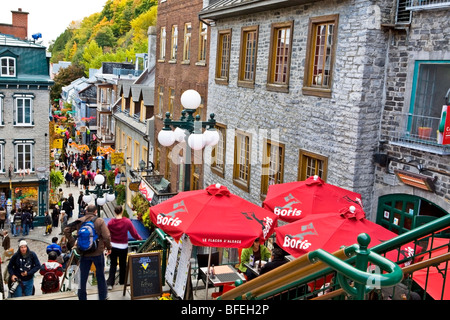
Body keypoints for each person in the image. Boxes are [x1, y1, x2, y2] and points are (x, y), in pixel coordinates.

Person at [64, 204, 112, 300]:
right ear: (95, 212)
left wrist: (74, 242)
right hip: (97, 252)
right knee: (100, 276)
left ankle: (82, 297)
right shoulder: (99, 221)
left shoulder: (80, 221)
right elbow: (107, 236)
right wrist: (109, 247)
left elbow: (66, 230)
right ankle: (102, 296)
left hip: (84, 253)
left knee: (83, 277)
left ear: (86, 212)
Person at [106, 206, 142, 290]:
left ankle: (110, 283)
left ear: (114, 212)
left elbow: (107, 235)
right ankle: (122, 282)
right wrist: (140, 238)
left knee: (113, 264)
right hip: (123, 247)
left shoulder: (111, 223)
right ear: (122, 211)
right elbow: (134, 233)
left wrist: (106, 245)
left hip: (113, 246)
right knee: (122, 265)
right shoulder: (127, 221)